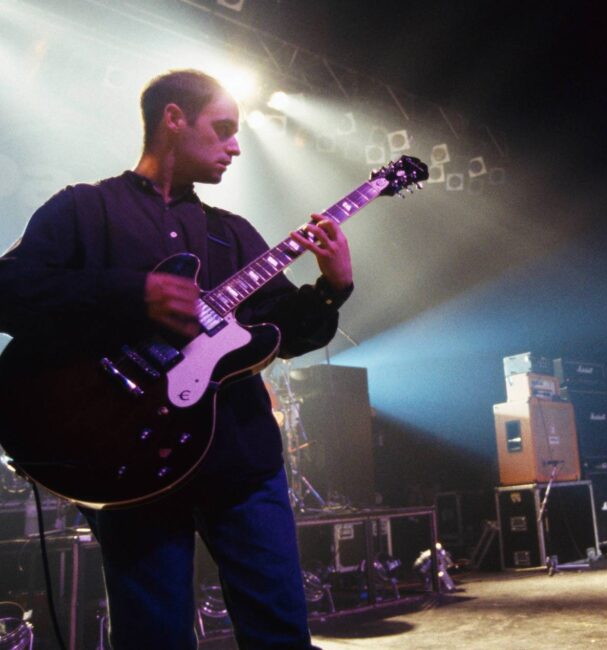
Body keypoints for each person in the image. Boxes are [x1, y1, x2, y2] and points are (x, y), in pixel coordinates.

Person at [0, 69, 355, 648]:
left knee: (280, 631)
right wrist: (131, 293)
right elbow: (10, 291)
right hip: (125, 461)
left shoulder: (233, 234)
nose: (236, 146)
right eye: (222, 129)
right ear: (173, 119)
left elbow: (283, 335)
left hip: (239, 459)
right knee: (153, 636)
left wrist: (331, 289)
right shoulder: (84, 211)